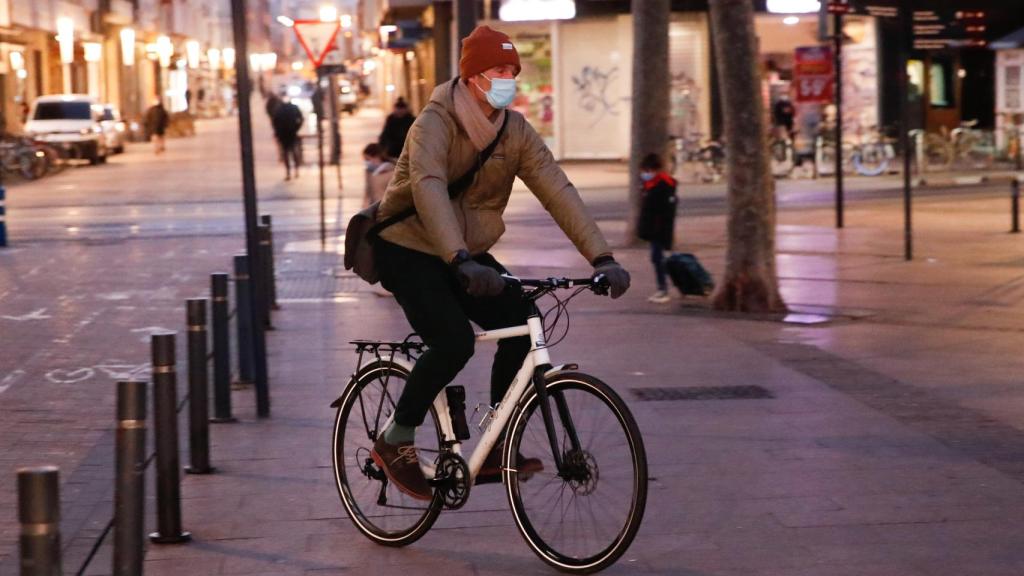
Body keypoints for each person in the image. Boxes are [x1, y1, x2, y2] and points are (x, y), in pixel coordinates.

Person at [369, 25, 631, 500]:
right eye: (499, 69)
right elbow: (429, 189)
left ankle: (495, 442)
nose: (508, 78)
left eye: (513, 70)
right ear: (472, 76)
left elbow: (556, 188)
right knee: (452, 341)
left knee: (522, 321)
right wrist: (459, 260)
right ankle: (396, 436)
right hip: (407, 246)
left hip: (462, 252)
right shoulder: (434, 123)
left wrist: (602, 255)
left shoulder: (514, 130)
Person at [636, 153, 678, 304]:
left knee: (658, 259)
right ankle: (663, 288)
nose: (645, 174)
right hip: (654, 230)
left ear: (653, 169)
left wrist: (659, 231)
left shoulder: (664, 185)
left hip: (659, 230)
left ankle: (663, 290)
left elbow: (665, 212)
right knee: (657, 259)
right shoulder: (650, 184)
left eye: (646, 171)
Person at [272, 98, 304, 181]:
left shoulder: (279, 109)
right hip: (291, 133)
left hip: (283, 134)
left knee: (286, 153)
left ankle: (289, 172)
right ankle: (295, 170)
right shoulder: (293, 108)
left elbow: (275, 122)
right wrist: (296, 128)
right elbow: (301, 119)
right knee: (293, 151)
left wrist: (277, 132)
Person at [361, 143, 394, 208]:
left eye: (367, 159)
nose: (366, 162)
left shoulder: (392, 172)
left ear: (376, 157)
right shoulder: (369, 172)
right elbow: (367, 193)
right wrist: (364, 208)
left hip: (387, 209)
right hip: (373, 209)